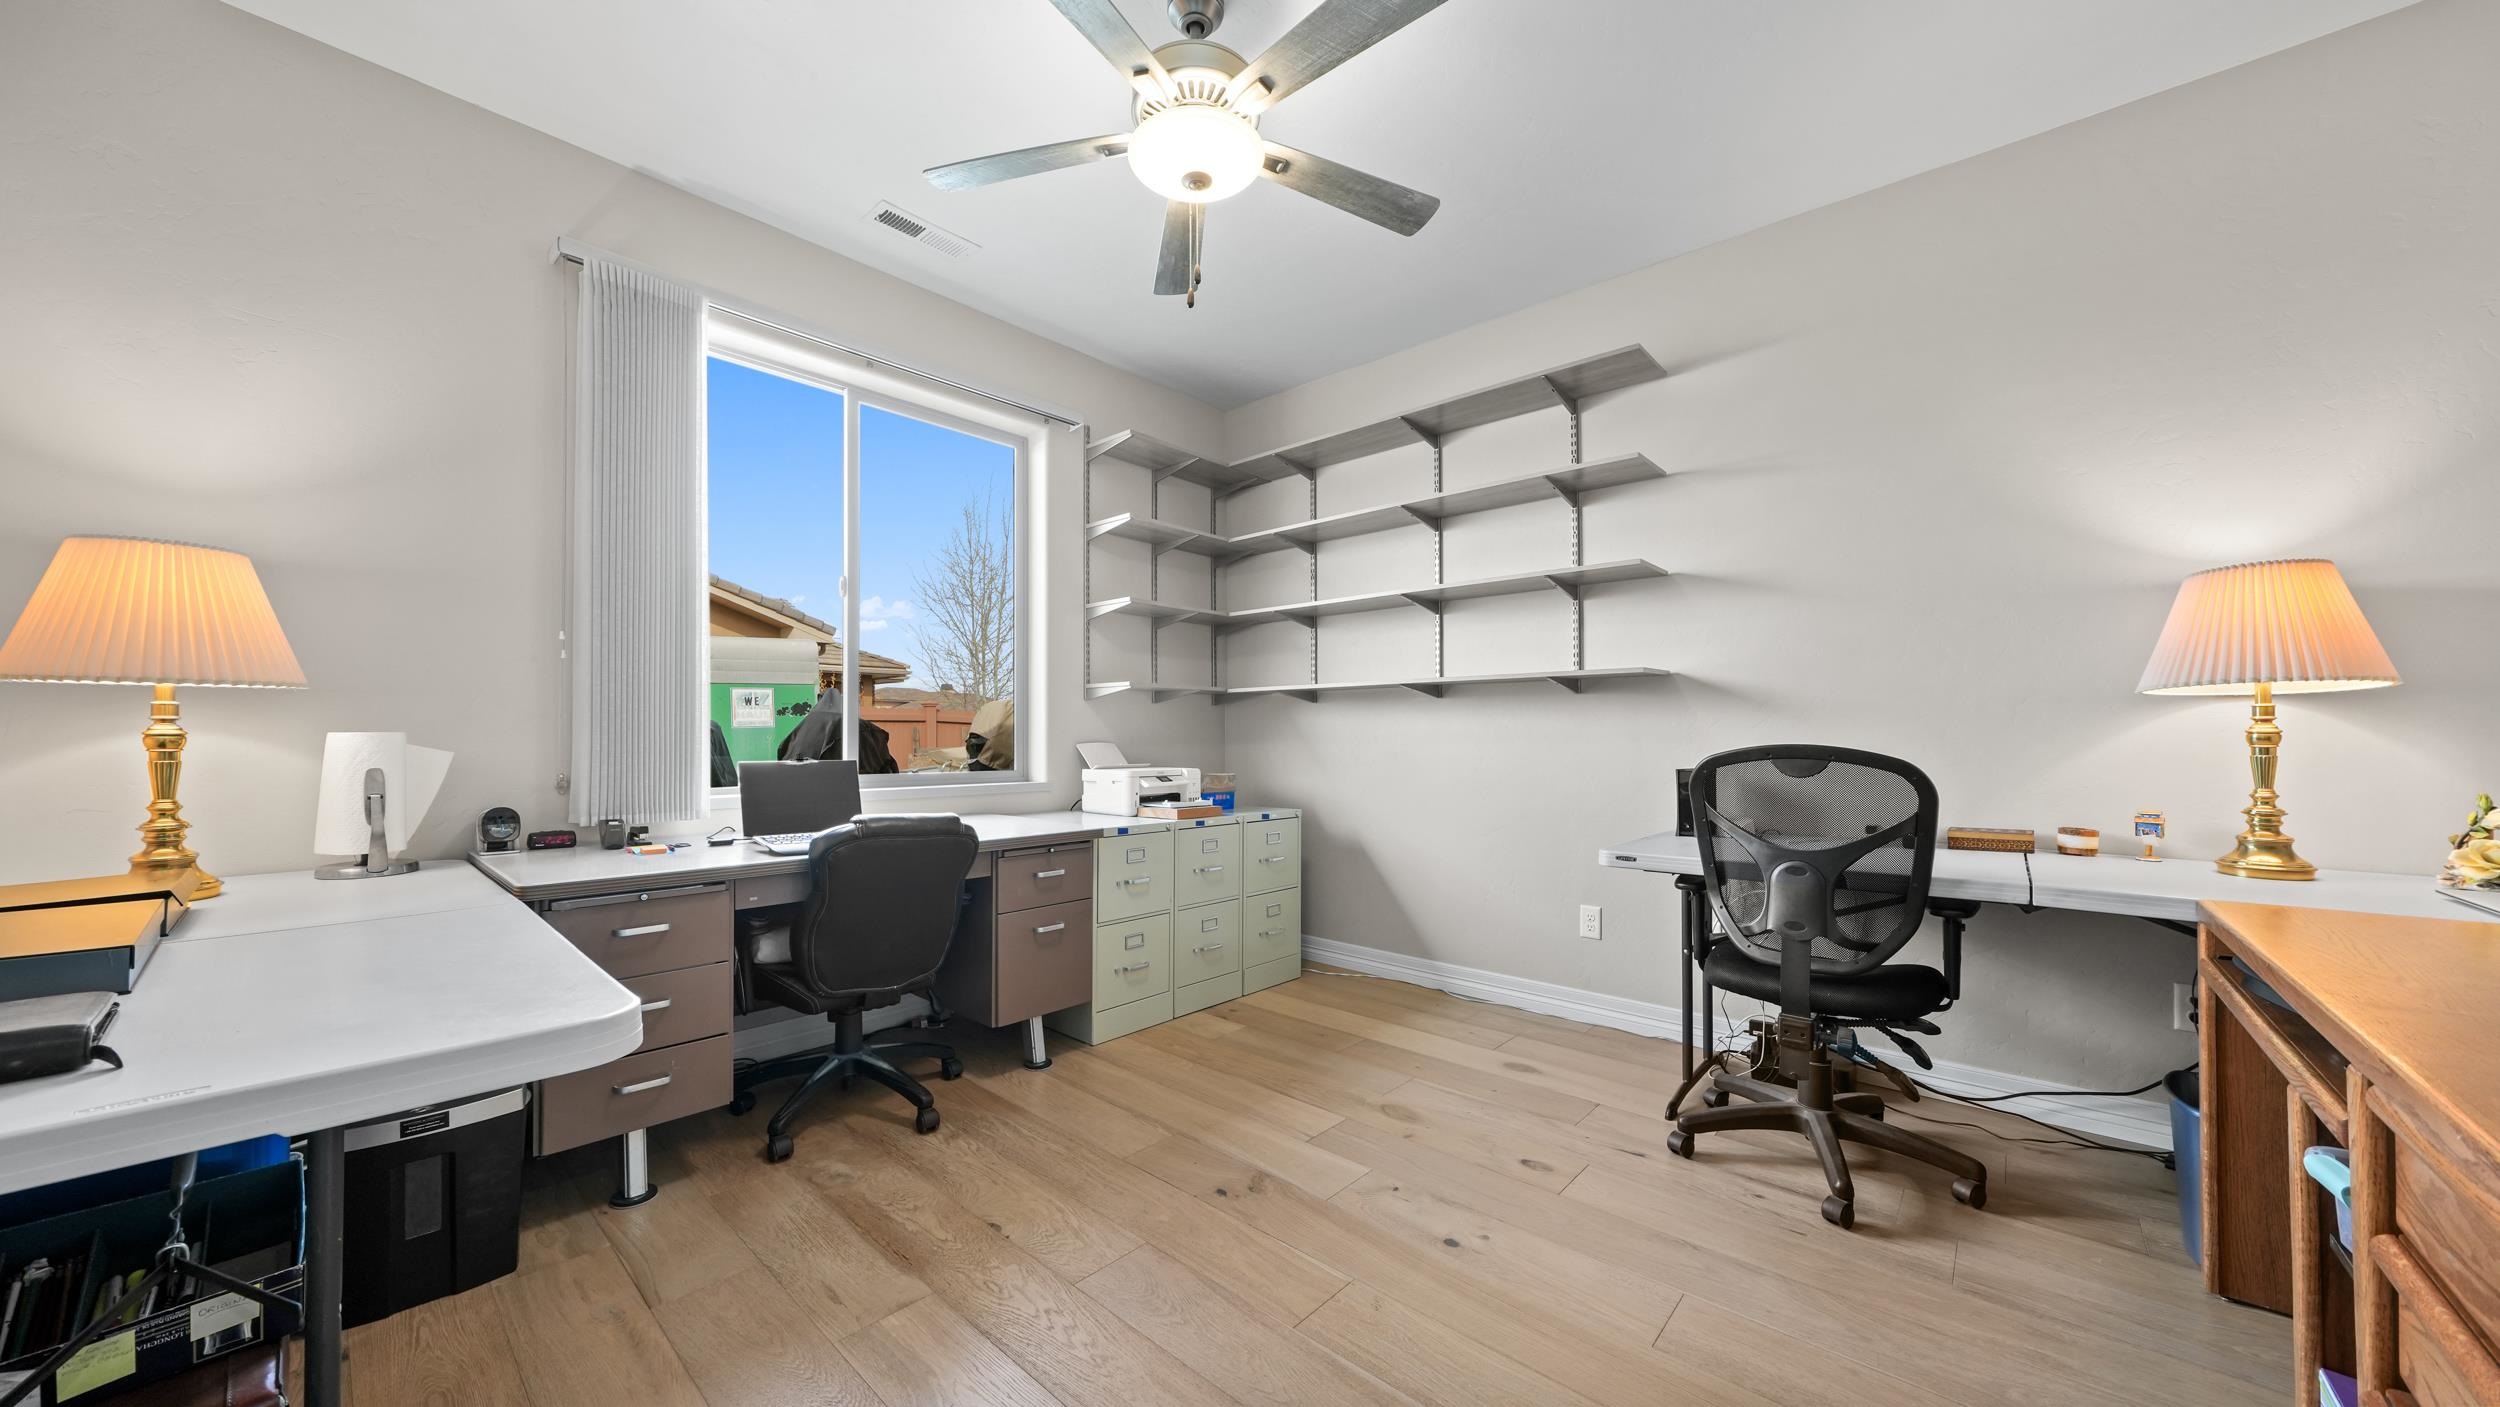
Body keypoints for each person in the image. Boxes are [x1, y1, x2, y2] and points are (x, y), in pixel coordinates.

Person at [774, 684, 898, 773]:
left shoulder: (801, 732)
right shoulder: (864, 730)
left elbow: (783, 761)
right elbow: (888, 770)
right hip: (857, 795)